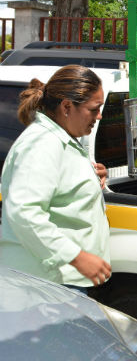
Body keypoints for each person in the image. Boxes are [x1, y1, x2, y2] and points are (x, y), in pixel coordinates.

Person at [0, 64, 112, 293]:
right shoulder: (43, 143)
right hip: (44, 284)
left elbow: (60, 185)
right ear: (67, 107)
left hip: (59, 280)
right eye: (94, 109)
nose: (99, 116)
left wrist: (91, 176)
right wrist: (76, 257)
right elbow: (24, 212)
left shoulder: (62, 139)